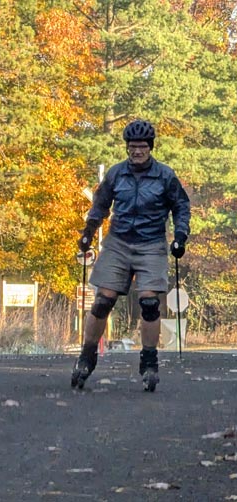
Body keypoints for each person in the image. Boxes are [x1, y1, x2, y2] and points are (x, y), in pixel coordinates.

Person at [73, 119, 190, 392]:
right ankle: (86, 357)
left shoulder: (164, 176)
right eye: (133, 147)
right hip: (118, 242)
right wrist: (89, 231)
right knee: (103, 301)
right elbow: (100, 204)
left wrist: (180, 236)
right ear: (127, 148)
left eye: (142, 147)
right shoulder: (116, 174)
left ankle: (149, 361)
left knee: (150, 304)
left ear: (150, 148)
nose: (137, 152)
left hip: (151, 244)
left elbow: (181, 207)